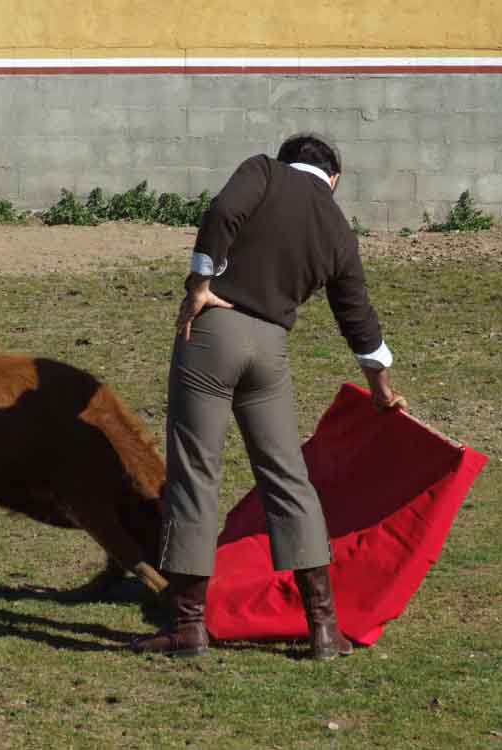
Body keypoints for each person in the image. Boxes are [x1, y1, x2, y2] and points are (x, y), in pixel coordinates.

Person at [132, 133, 407, 661]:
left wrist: (199, 280)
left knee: (196, 473)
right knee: (288, 478)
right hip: (272, 353)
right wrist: (381, 388)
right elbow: (358, 318)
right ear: (336, 180)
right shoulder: (338, 229)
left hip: (214, 333)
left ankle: (189, 626)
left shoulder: (263, 171)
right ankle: (325, 629)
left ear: (288, 162)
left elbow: (221, 212)